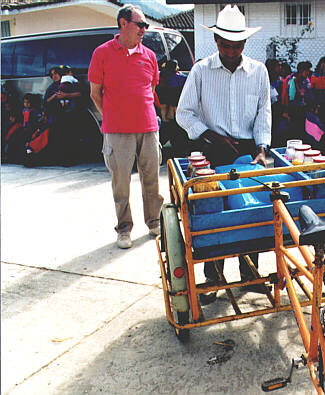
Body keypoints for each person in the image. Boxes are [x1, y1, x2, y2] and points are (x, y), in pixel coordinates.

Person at [176, 4, 271, 303]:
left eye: (237, 45)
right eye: (226, 45)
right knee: (214, 216)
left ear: (245, 43)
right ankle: (212, 279)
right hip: (211, 151)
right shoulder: (201, 70)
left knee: (250, 211)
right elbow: (184, 113)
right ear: (216, 42)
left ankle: (250, 274)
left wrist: (261, 149)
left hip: (246, 152)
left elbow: (263, 113)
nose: (231, 51)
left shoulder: (258, 71)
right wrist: (209, 136)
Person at [88, 4, 164, 249]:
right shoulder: (102, 53)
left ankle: (154, 222)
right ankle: (124, 229)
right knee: (121, 181)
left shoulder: (149, 56)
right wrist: (111, 117)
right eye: (140, 25)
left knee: (151, 177)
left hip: (148, 127)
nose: (144, 29)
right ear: (123, 23)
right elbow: (95, 93)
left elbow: (150, 90)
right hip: (117, 131)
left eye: (145, 26)